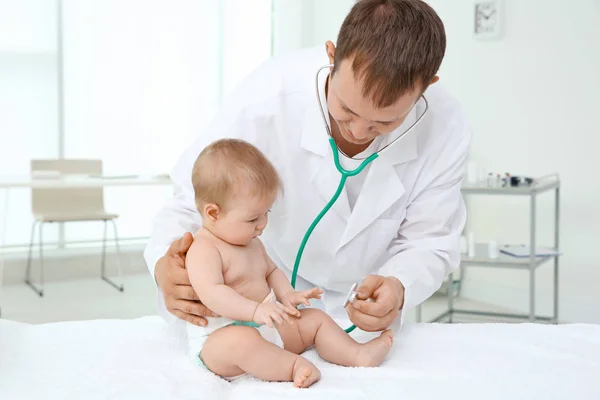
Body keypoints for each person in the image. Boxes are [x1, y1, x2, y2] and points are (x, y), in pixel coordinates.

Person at [145, 0, 470, 336]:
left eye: (383, 122)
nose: (357, 132)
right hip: (265, 292)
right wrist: (165, 268)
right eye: (345, 109)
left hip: (365, 307)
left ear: (426, 86)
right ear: (332, 56)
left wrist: (399, 285)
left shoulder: (445, 126)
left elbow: (430, 240)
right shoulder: (268, 96)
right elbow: (192, 198)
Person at [185, 138, 394, 387]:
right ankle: (293, 366)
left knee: (315, 319)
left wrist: (287, 294)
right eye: (253, 218)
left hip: (268, 324)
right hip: (221, 338)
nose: (262, 224)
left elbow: (271, 271)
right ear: (213, 213)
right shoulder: (204, 249)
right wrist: (255, 311)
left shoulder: (251, 243)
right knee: (241, 342)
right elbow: (213, 294)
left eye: (266, 214)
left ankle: (357, 354)